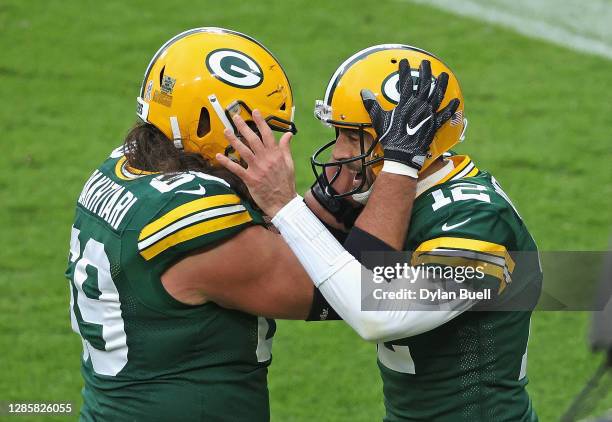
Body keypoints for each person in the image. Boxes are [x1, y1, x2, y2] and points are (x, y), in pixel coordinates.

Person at [64, 29, 450, 421]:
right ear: (210, 121)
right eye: (258, 127)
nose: (269, 141)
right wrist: (401, 159)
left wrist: (334, 190)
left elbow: (297, 241)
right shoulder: (196, 225)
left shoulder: (121, 168)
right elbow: (362, 289)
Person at [218, 45, 543, 421]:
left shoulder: (475, 217)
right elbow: (286, 256)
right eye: (339, 134)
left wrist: (285, 205)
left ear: (415, 142)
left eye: (354, 137)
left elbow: (380, 313)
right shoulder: (391, 195)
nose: (339, 152)